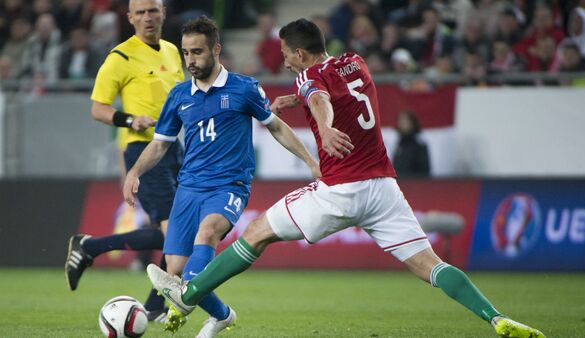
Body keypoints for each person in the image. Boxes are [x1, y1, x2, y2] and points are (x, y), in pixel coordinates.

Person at [147, 18, 546, 338]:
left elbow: (320, 98)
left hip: (340, 189)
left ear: (299, 53)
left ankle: (189, 293)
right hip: (385, 189)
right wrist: (294, 100)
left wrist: (324, 124)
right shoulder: (355, 62)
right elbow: (329, 91)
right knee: (431, 265)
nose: (285, 62)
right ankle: (496, 319)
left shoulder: (308, 78)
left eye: (287, 55)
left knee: (257, 233)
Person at [123, 16, 319, 337]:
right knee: (175, 269)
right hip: (188, 188)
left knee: (208, 232)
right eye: (186, 53)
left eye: (197, 52)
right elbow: (160, 145)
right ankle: (222, 315)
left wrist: (311, 161)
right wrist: (134, 172)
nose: (191, 61)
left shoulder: (244, 88)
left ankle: (184, 300)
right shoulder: (179, 95)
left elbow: (276, 127)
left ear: (216, 49)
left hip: (229, 185)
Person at [65, 0, 183, 323]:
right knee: (178, 234)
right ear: (129, 18)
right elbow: (97, 108)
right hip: (144, 152)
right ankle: (156, 304)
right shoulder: (119, 58)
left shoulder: (173, 52)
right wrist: (130, 120)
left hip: (175, 151)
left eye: (153, 10)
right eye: (140, 12)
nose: (147, 17)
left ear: (163, 13)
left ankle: (90, 248)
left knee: (179, 234)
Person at [392, 110, 430, 177]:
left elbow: (424, 173)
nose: (401, 123)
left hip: (415, 185)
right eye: (400, 121)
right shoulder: (397, 146)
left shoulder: (420, 147)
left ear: (412, 123)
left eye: (405, 121)